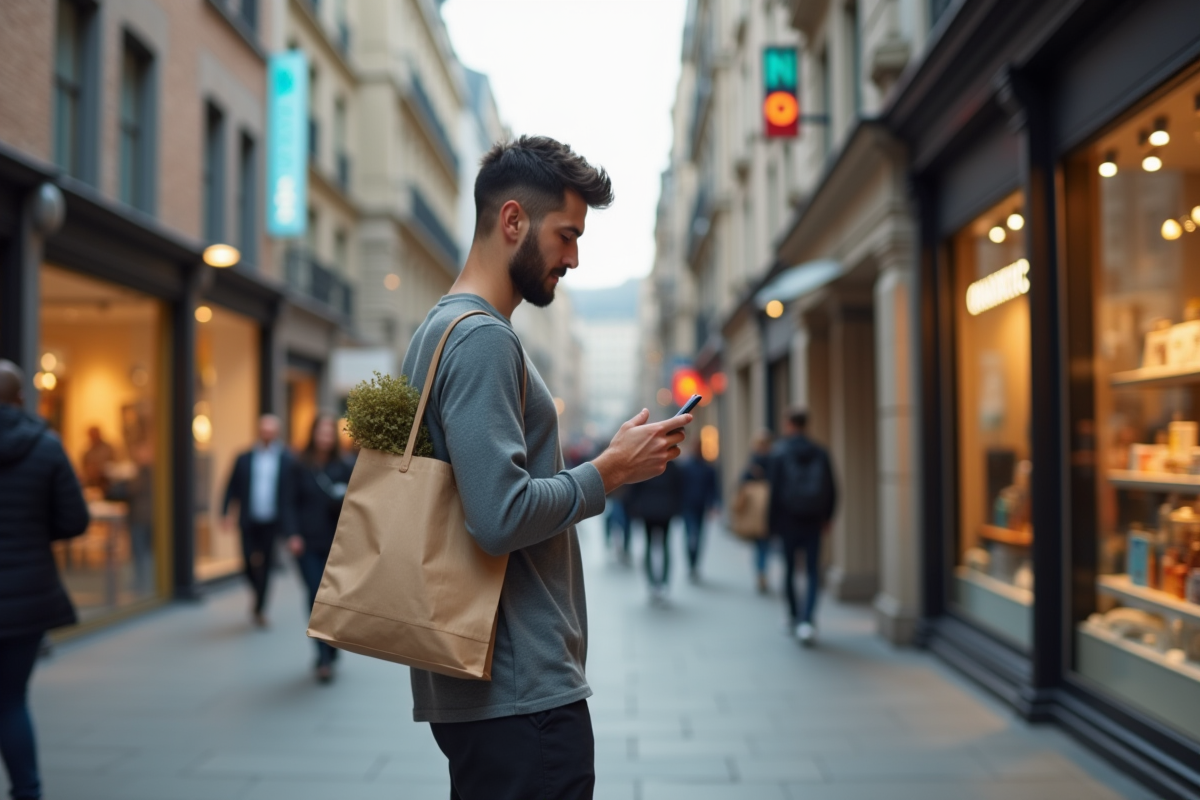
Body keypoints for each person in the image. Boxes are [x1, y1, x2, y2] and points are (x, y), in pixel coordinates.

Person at [400, 135, 692, 800]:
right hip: (519, 693)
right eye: (566, 234)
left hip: (490, 690)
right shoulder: (480, 340)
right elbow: (498, 517)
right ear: (512, 222)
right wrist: (609, 472)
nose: (575, 257)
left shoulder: (442, 330)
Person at [0, 360, 90, 800]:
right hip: (27, 594)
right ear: (20, 398)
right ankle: (27, 792)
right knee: (11, 700)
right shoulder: (46, 446)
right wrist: (34, 531)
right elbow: (74, 520)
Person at [287, 415, 353, 683]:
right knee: (315, 595)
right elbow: (288, 502)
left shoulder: (344, 466)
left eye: (329, 432)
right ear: (313, 434)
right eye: (321, 432)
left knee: (334, 599)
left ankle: (331, 644)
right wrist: (292, 534)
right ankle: (323, 656)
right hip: (307, 543)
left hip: (338, 544)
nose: (325, 437)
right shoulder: (299, 466)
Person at [767, 409, 837, 646]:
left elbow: (774, 492)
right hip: (814, 520)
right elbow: (833, 488)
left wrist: (771, 523)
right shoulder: (820, 452)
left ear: (788, 425)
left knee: (789, 569)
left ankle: (793, 617)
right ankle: (807, 621)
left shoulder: (780, 453)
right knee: (812, 570)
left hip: (788, 521)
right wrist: (827, 517)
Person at [222, 414, 298, 628]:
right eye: (263, 430)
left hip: (272, 521)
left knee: (265, 564)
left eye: (270, 431)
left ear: (277, 433)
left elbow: (292, 492)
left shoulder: (287, 459)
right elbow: (231, 486)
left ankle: (260, 607)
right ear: (258, 431)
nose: (267, 434)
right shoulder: (244, 457)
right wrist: (225, 513)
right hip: (248, 518)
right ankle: (258, 590)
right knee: (246, 562)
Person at [627, 458, 683, 602]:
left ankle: (652, 582)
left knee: (649, 545)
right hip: (665, 510)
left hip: (648, 510)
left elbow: (634, 488)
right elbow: (679, 489)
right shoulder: (672, 466)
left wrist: (633, 508)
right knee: (664, 545)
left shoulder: (645, 464)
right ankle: (663, 582)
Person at [677, 443, 719, 582]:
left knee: (698, 536)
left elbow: (713, 488)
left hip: (700, 507)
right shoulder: (685, 467)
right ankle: (691, 563)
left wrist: (713, 504)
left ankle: (694, 564)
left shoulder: (707, 468)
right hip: (688, 506)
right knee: (690, 535)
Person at [742, 430, 775, 594]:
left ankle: (761, 572)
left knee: (763, 545)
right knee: (761, 544)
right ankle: (761, 572)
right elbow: (741, 484)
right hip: (758, 511)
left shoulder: (771, 461)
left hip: (767, 510)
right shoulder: (755, 462)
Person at [603, 484, 633, 564]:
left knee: (621, 523)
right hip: (617, 497)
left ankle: (622, 546)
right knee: (616, 522)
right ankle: (618, 545)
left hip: (622, 498)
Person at [80, 425, 115, 492]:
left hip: (107, 482)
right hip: (91, 483)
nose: (93, 437)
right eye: (91, 435)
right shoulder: (87, 452)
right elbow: (83, 467)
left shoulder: (108, 448)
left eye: (95, 434)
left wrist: (100, 470)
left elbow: (114, 464)